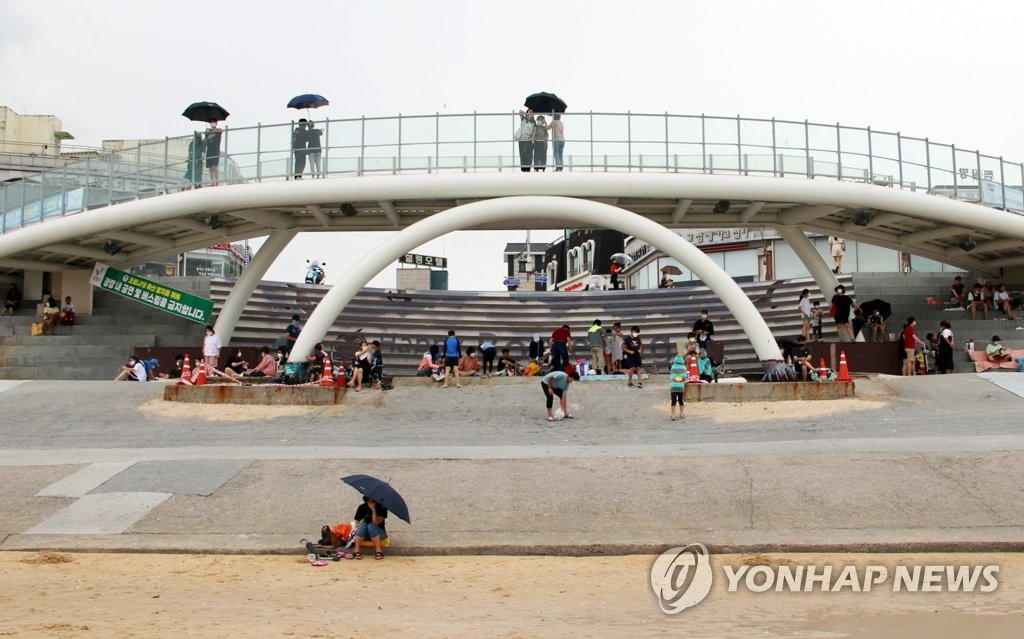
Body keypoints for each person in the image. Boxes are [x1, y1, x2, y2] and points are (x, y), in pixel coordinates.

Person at [351, 496, 388, 560]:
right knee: (364, 524)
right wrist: (359, 523)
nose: (370, 500)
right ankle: (356, 550)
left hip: (379, 534)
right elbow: (357, 523)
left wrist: (373, 510)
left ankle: (378, 551)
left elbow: (376, 523)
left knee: (371, 525)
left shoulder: (382, 508)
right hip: (364, 534)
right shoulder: (361, 507)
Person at [668, 354, 686, 420]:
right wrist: (680, 379)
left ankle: (673, 415)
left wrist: (676, 378)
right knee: (681, 400)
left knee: (673, 400)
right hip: (680, 386)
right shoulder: (683, 367)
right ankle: (681, 414)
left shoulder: (673, 367)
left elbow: (672, 375)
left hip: (673, 386)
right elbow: (684, 376)